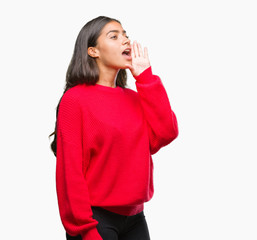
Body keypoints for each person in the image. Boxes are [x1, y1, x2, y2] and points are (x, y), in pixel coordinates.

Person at [49, 16, 179, 240]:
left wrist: (145, 77)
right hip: (95, 220)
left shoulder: (135, 98)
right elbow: (70, 173)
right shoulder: (75, 100)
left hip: (136, 217)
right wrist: (85, 229)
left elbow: (166, 134)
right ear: (93, 51)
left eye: (125, 35)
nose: (125, 41)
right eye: (114, 36)